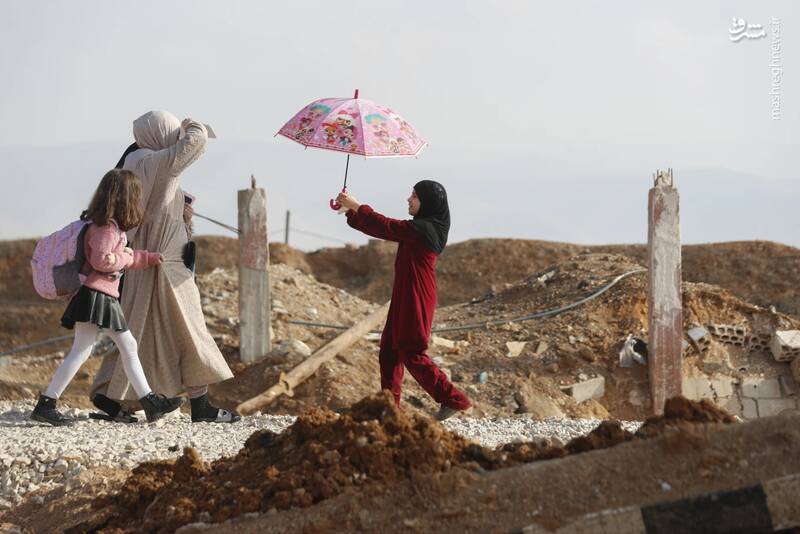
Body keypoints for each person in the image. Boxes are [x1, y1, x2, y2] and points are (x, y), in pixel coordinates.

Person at [90, 111, 238, 424]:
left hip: (142, 260)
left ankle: (113, 396)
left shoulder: (134, 160)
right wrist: (192, 125)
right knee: (189, 329)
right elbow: (195, 145)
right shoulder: (156, 162)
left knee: (139, 331)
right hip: (167, 265)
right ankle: (201, 407)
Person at [31, 170, 184, 426]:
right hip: (98, 295)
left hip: (95, 295)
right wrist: (125, 256)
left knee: (89, 349)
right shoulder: (106, 229)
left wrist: (146, 258)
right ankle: (150, 402)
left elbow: (119, 257)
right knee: (121, 347)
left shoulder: (105, 226)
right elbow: (103, 261)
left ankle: (47, 403)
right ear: (126, 198)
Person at [336, 180, 472, 420]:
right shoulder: (420, 228)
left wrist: (357, 206)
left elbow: (386, 226)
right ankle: (389, 408)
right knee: (389, 350)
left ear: (427, 202)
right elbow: (381, 229)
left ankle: (454, 399)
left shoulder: (426, 230)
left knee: (412, 350)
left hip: (416, 294)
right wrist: (350, 211)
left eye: (415, 196)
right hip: (404, 293)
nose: (409, 199)